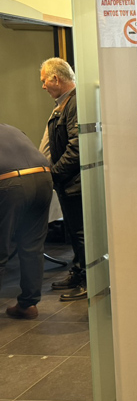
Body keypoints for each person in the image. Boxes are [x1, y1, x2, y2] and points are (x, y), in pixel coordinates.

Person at [39, 58, 86, 301]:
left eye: (44, 81)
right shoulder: (65, 103)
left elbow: (77, 149)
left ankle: (88, 280)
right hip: (69, 183)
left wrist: (54, 174)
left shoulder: (74, 102)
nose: (43, 86)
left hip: (75, 183)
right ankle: (78, 272)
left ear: (56, 79)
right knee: (74, 233)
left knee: (81, 234)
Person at [0, 124, 53, 319]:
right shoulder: (9, 128)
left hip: (11, 182)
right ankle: (28, 305)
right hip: (43, 177)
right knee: (32, 247)